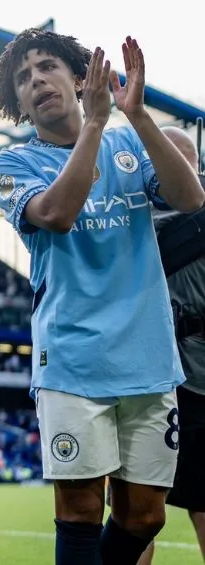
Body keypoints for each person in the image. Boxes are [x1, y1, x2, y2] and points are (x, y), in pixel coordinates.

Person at [0, 30, 205, 565]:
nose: (37, 79)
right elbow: (58, 215)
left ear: (77, 77)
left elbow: (191, 197)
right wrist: (94, 124)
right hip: (73, 358)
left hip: (150, 358)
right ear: (17, 103)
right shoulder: (12, 164)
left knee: (145, 516)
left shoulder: (129, 142)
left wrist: (136, 116)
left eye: (47, 67)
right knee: (81, 508)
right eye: (23, 78)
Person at [137, 127, 205, 565]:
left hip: (166, 381)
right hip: (162, 382)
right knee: (136, 510)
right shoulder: (126, 225)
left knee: (136, 511)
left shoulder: (127, 228)